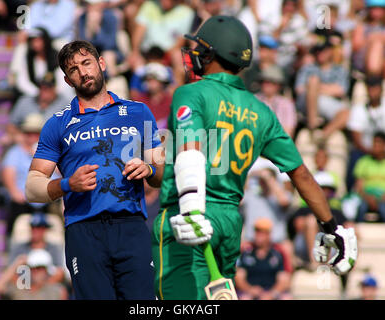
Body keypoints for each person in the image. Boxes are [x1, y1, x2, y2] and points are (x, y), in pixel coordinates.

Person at [152, 15, 357, 300]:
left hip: (192, 214)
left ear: (212, 53)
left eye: (200, 48)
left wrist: (191, 209)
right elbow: (301, 175)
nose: (194, 53)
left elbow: (190, 151)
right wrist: (332, 227)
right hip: (230, 222)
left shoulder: (191, 93)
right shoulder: (261, 112)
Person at [25, 40, 164, 300]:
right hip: (83, 230)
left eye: (87, 63)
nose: (83, 72)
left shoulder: (138, 112)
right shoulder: (57, 124)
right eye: (74, 69)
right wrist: (67, 184)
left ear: (101, 63)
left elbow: (162, 175)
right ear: (68, 81)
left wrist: (148, 168)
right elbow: (32, 187)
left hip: (131, 225)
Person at [1, 113, 50, 237]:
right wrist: (14, 192)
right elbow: (8, 172)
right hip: (23, 201)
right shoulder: (15, 152)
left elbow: (62, 173)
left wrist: (40, 156)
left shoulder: (52, 151)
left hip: (49, 201)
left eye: (36, 133)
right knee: (16, 230)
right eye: (29, 133)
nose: (32, 137)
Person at [5, 72, 71, 145]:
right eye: (42, 87)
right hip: (26, 144)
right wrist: (20, 137)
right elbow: (11, 125)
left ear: (54, 89)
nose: (44, 91)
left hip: (54, 143)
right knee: (6, 140)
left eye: (47, 88)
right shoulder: (25, 102)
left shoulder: (66, 104)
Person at [234, 218, 292, 300]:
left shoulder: (277, 254)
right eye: (257, 232)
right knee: (245, 298)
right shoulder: (246, 253)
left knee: (286, 298)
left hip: (270, 291)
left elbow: (283, 279)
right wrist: (250, 289)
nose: (258, 235)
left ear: (269, 235)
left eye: (262, 233)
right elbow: (239, 277)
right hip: (250, 291)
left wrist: (272, 293)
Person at [8, 212, 65, 284]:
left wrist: (40, 289)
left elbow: (60, 273)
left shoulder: (54, 249)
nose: (35, 231)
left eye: (39, 228)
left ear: (45, 229)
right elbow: (10, 273)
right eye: (33, 227)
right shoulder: (19, 248)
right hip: (23, 287)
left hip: (49, 288)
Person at [0, 248, 68, 300]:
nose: (35, 272)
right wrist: (17, 264)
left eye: (40, 268)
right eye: (32, 268)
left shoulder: (56, 291)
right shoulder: (19, 288)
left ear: (46, 271)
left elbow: (60, 273)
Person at [255, 65, 297, 138]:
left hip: (277, 143)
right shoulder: (253, 99)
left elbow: (288, 132)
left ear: (279, 85)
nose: (266, 85)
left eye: (270, 82)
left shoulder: (286, 104)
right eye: (264, 81)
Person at [354, 131, 385, 222]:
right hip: (367, 196)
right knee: (361, 208)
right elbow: (359, 187)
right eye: (374, 143)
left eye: (378, 144)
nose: (375, 147)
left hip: (383, 197)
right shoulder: (363, 162)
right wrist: (368, 198)